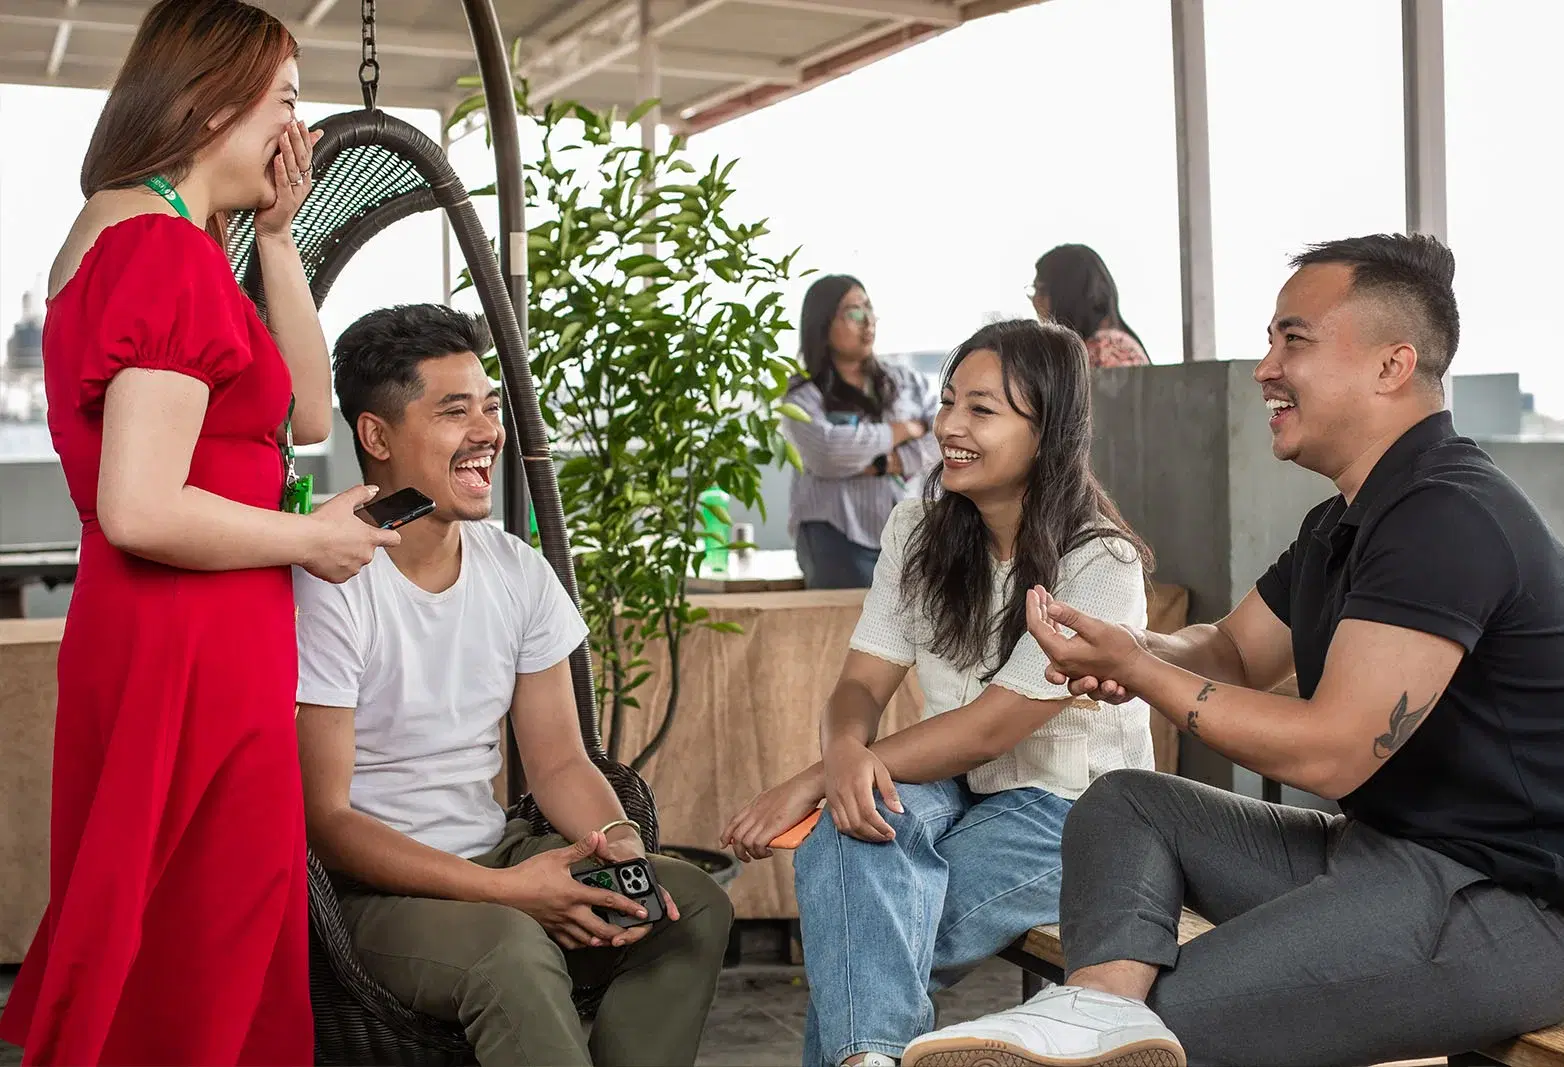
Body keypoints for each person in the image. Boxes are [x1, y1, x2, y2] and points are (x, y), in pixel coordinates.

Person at [906, 234, 1564, 1067]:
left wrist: (1143, 673)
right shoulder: (1343, 521)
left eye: (1292, 340)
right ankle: (1097, 1015)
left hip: (1508, 905)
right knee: (1126, 803)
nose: (1265, 367)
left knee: (1180, 1017)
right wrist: (1125, 643)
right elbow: (1232, 649)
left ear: (1392, 365)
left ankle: (1103, 1032)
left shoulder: (1446, 516)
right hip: (1378, 855)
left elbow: (1336, 751)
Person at [0, 3, 398, 1064]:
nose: (293, 131)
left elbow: (306, 416)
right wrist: (307, 538)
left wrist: (275, 237)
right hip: (192, 640)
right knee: (205, 936)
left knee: (166, 924)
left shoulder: (141, 236)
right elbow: (140, 506)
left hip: (162, 632)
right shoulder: (162, 255)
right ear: (209, 103)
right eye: (285, 102)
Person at [293, 304, 734, 1067]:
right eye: (454, 410)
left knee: (686, 904)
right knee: (510, 950)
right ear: (376, 435)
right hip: (373, 899)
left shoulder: (515, 569)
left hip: (496, 854)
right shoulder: (333, 583)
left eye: (490, 408)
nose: (489, 431)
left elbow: (561, 761)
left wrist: (615, 845)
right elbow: (326, 820)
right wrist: (509, 893)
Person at [724, 319, 1155, 1067]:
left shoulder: (1100, 562)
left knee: (857, 914)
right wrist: (842, 753)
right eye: (949, 401)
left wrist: (815, 779)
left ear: (1048, 428)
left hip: (1076, 811)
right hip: (959, 786)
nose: (947, 425)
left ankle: (865, 1058)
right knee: (854, 832)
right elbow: (863, 678)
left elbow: (992, 726)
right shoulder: (919, 527)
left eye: (980, 410)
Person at [781, 274, 941, 588]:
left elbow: (943, 436)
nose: (867, 322)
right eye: (854, 313)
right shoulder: (803, 394)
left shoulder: (905, 381)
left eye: (869, 310)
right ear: (823, 324)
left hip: (907, 536)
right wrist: (907, 428)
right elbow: (828, 452)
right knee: (843, 633)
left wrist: (887, 463)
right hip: (837, 538)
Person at [1030, 244, 1151, 368]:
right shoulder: (1110, 345)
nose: (1034, 301)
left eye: (1041, 290)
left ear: (1067, 296)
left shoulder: (1106, 350)